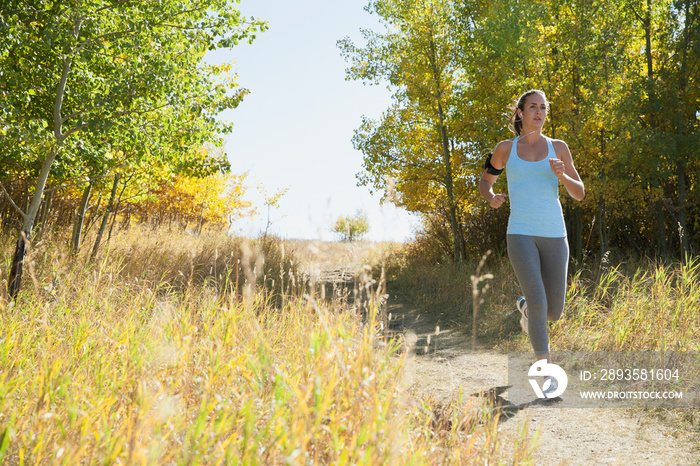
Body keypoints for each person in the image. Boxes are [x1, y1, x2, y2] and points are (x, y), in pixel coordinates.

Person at [478, 89, 585, 392]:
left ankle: (524, 307)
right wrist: (491, 197)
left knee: (553, 312)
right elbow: (486, 181)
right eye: (533, 107)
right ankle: (547, 373)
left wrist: (563, 176)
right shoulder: (505, 149)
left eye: (543, 107)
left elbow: (579, 193)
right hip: (520, 233)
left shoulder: (558, 147)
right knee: (540, 303)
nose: (539, 112)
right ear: (520, 113)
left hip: (555, 234)